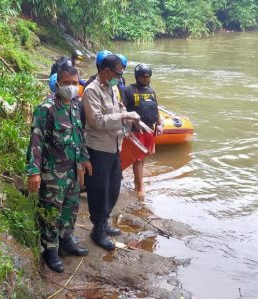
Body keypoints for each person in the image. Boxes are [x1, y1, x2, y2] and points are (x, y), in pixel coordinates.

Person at [26, 65, 93, 273]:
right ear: (57, 84)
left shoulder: (74, 105)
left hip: (72, 169)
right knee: (52, 212)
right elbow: (35, 141)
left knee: (71, 208)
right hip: (53, 173)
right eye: (66, 83)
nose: (71, 87)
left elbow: (78, 136)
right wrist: (34, 171)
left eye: (75, 83)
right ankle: (50, 251)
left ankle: (66, 240)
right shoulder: (46, 109)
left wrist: (84, 159)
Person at [83, 54, 141, 251]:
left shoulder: (112, 87)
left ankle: (104, 221)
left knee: (114, 186)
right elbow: (97, 121)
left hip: (115, 145)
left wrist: (129, 123)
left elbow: (117, 110)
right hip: (99, 147)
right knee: (99, 189)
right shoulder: (92, 90)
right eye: (118, 72)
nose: (120, 76)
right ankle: (97, 229)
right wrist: (124, 115)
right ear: (106, 71)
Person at [123, 63, 163, 198]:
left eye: (148, 77)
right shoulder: (129, 90)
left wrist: (159, 124)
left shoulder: (151, 91)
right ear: (137, 77)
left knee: (144, 156)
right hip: (136, 130)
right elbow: (122, 109)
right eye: (143, 77)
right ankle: (140, 187)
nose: (146, 79)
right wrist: (126, 129)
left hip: (149, 129)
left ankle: (136, 180)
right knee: (138, 159)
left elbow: (156, 108)